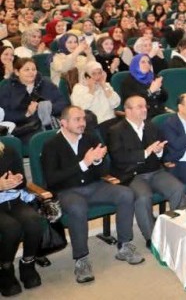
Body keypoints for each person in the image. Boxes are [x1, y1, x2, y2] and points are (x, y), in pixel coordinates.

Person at [42, 106, 143, 284]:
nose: (82, 123)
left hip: (94, 186)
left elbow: (103, 171)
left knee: (126, 194)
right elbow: (52, 179)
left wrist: (97, 161)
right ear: (63, 123)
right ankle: (81, 259)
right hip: (67, 191)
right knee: (77, 207)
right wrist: (84, 163)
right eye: (77, 119)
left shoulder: (91, 138)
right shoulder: (51, 145)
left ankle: (124, 245)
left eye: (83, 119)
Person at [107, 95, 186, 247]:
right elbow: (119, 157)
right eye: (140, 107)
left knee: (178, 188)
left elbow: (162, 153)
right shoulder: (116, 131)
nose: (144, 109)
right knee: (143, 197)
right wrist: (146, 152)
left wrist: (159, 151)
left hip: (155, 171)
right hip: (132, 174)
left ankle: (179, 228)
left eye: (145, 106)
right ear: (127, 110)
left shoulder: (152, 127)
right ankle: (152, 238)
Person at [0, 140, 44, 295]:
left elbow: (23, 182)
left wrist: (16, 180)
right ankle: (5, 270)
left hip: (13, 200)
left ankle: (27, 264)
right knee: (11, 228)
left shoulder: (8, 151)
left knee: (34, 222)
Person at [0, 58, 68, 143]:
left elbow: (63, 104)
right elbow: (4, 114)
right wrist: (27, 114)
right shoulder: (7, 88)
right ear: (17, 72)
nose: (31, 72)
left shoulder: (46, 84)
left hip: (50, 123)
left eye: (34, 69)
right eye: (27, 70)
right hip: (23, 128)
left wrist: (46, 108)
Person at [70, 61, 121, 137]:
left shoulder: (105, 85)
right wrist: (91, 90)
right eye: (93, 74)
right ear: (87, 76)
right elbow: (80, 109)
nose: (97, 77)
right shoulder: (79, 88)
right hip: (96, 125)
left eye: (99, 73)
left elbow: (116, 103)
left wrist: (104, 86)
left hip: (113, 121)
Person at [120, 54, 168, 119]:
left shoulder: (153, 76)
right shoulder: (128, 82)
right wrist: (150, 91)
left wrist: (159, 91)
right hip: (142, 115)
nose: (147, 64)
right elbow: (133, 103)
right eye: (143, 62)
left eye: (149, 62)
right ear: (136, 64)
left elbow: (164, 98)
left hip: (159, 112)